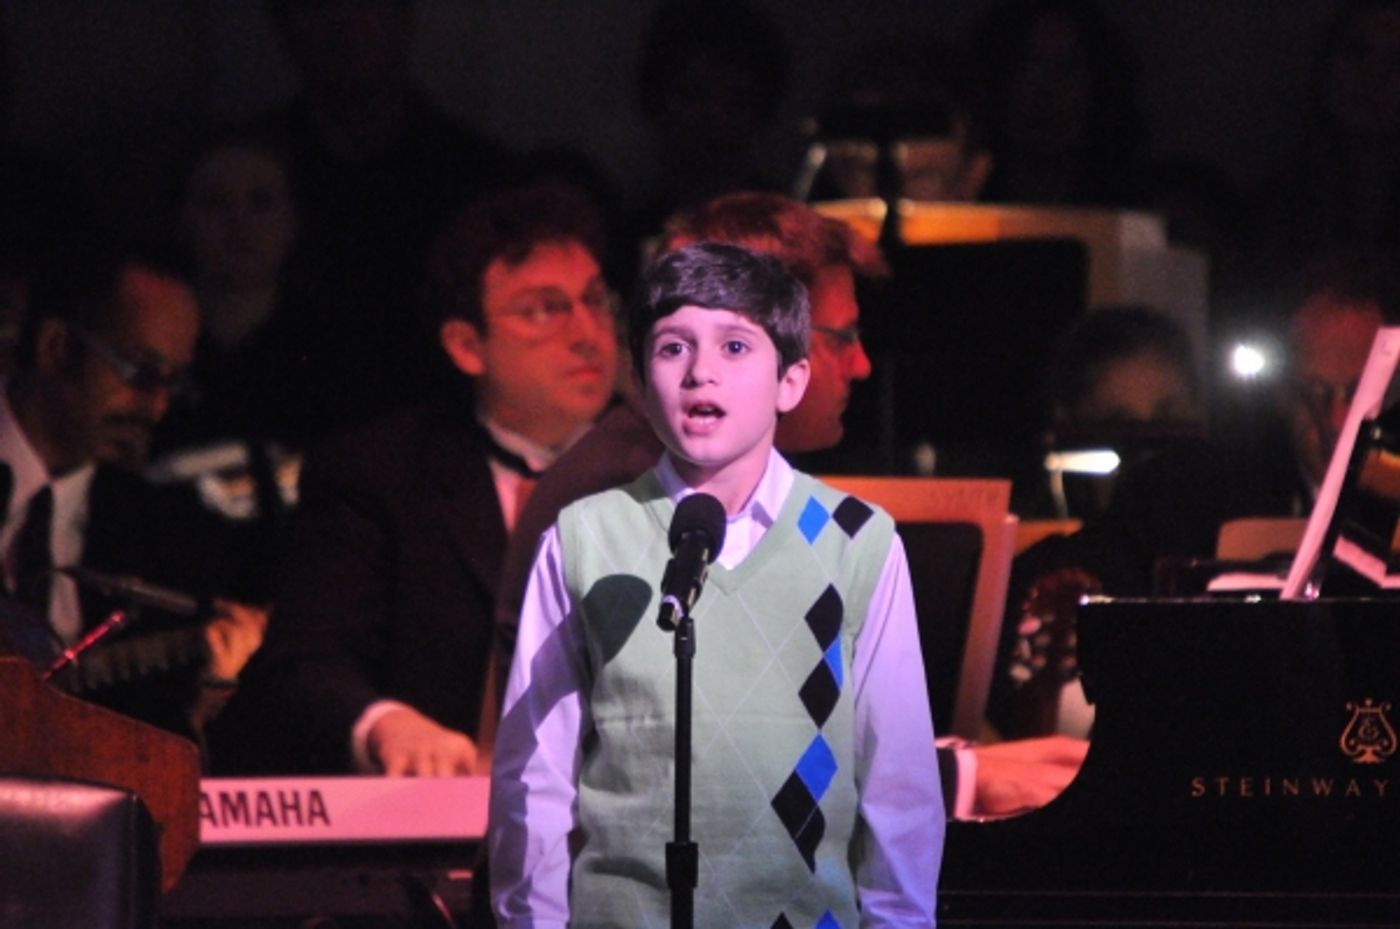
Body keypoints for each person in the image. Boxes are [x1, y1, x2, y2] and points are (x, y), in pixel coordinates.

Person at [487, 191, 1087, 818]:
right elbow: (698, 760)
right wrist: (956, 776)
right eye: (842, 336)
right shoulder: (630, 491)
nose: (860, 363)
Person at [490, 241, 943, 926]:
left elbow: (898, 784)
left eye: (735, 347)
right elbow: (533, 782)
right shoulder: (583, 539)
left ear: (790, 380)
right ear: (639, 383)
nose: (701, 372)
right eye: (673, 348)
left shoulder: (857, 541)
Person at [227, 181, 620, 776]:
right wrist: (386, 724)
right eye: (544, 308)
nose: (586, 332)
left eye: (595, 300)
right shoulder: (381, 473)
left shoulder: (670, 472)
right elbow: (304, 662)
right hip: (444, 823)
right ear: (467, 347)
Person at [0, 239, 267, 747]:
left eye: (174, 383)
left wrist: (218, 693)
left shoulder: (169, 535)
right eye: (141, 373)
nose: (157, 407)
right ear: (57, 346)